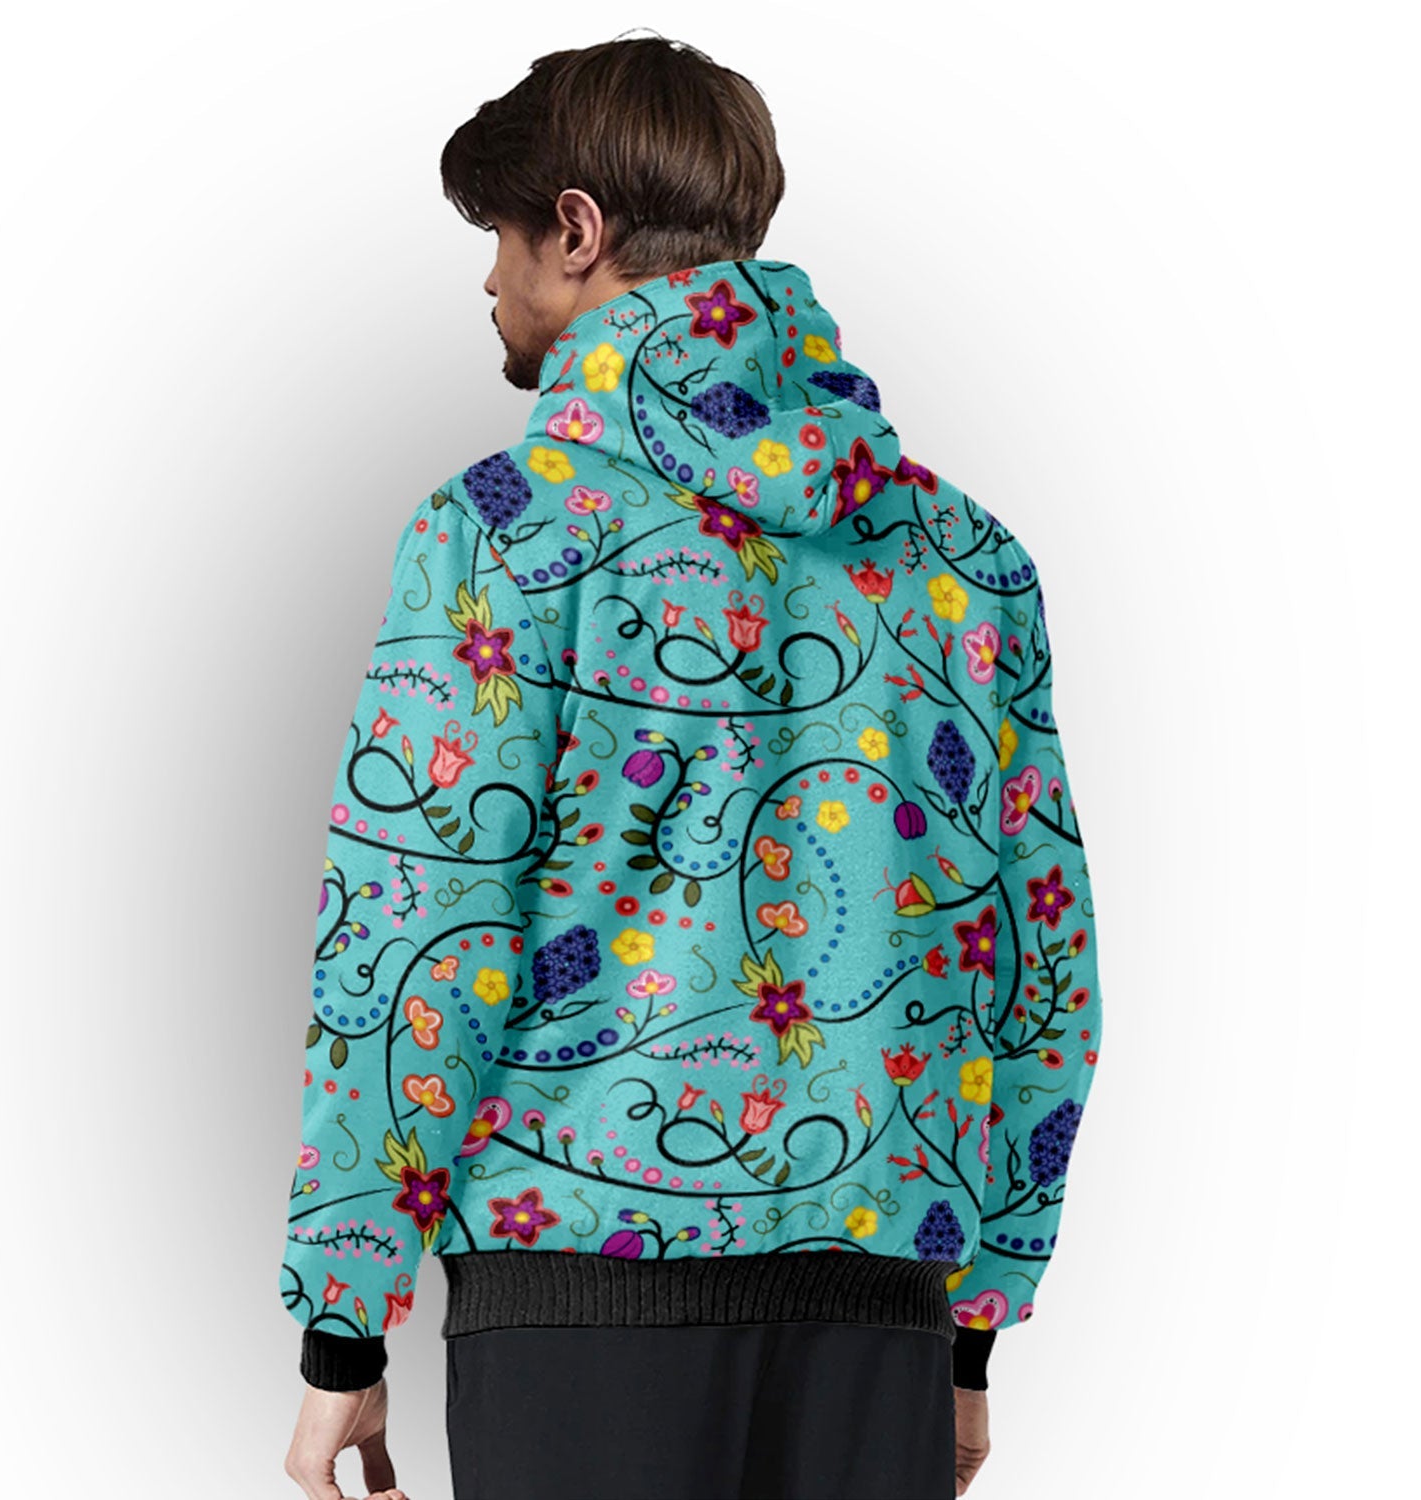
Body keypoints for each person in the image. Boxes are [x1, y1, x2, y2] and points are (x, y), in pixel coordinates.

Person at [279, 32, 1104, 1500]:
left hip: (573, 1307)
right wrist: (970, 1333)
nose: (488, 283)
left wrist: (345, 1326)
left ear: (576, 229)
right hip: (880, 1306)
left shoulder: (503, 532)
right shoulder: (966, 561)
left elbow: (414, 935)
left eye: (499, 237)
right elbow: (1043, 968)